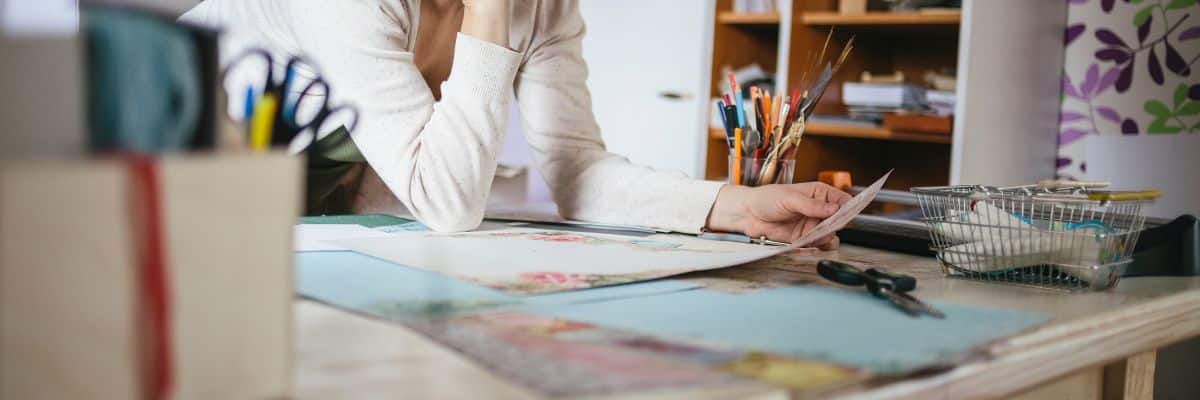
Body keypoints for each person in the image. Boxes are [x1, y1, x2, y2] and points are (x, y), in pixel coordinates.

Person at [181, 0, 852, 249]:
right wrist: (490, 16)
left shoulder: (547, 7)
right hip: (175, 160)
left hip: (314, 203)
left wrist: (731, 206)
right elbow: (447, 202)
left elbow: (577, 170)